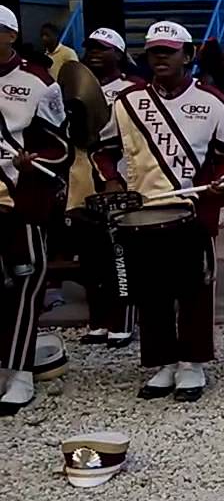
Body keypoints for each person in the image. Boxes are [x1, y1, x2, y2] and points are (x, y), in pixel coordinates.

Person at [90, 21, 224, 402]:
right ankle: (163, 362)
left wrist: (218, 183)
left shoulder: (213, 101)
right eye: (154, 51)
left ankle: (192, 364)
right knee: (151, 292)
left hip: (190, 213)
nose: (160, 58)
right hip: (141, 212)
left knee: (193, 291)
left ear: (187, 56)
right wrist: (111, 180)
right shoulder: (127, 102)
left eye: (168, 52)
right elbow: (104, 151)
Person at [0, 5, 72, 415]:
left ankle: (22, 371)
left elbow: (59, 147)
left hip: (20, 199)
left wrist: (34, 160)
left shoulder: (38, 82)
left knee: (26, 286)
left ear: (11, 35)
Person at [71, 28, 142, 346]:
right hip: (82, 175)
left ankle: (124, 319)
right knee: (90, 255)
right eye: (90, 48)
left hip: (120, 176)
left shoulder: (133, 89)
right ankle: (98, 319)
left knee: (121, 251)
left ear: (118, 52)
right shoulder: (75, 87)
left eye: (102, 48)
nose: (94, 53)